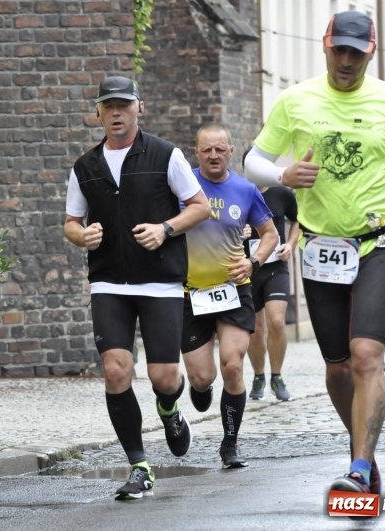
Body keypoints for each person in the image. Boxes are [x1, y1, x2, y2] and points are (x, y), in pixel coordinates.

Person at [243, 11, 385, 502]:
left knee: (366, 356)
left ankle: (359, 468)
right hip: (320, 248)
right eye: (339, 49)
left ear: (371, 52)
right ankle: (365, 449)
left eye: (355, 52)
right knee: (338, 366)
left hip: (377, 243)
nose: (345, 59)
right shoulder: (295, 100)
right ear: (325, 45)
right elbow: (252, 159)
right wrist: (283, 176)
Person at [64, 75, 210, 501]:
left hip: (160, 280)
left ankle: (168, 408)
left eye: (123, 106)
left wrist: (166, 229)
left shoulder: (166, 155)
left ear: (138, 109)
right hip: (108, 280)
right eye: (108, 106)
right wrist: (81, 236)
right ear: (97, 114)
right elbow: (71, 222)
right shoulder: (85, 167)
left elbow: (199, 207)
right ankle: (139, 464)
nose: (116, 113)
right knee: (115, 371)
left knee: (164, 377)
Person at [181, 124, 278, 468]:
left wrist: (253, 261)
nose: (214, 156)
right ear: (197, 152)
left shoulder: (246, 189)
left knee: (233, 366)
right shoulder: (182, 185)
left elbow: (270, 233)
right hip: (190, 293)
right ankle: (200, 387)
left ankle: (230, 443)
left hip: (233, 290)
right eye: (207, 149)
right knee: (202, 377)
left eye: (220, 149)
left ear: (231, 150)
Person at [241, 148, 300, 401]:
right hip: (248, 268)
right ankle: (258, 376)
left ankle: (277, 376)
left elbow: (298, 221)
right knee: (256, 326)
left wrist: (291, 245)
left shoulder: (282, 193)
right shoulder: (238, 192)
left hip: (276, 265)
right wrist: (237, 232)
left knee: (276, 321)